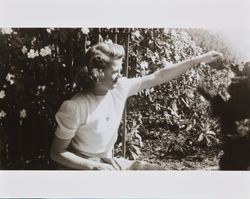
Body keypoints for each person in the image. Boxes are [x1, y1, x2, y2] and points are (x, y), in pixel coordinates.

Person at [50, 42, 223, 170]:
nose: (121, 75)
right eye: (115, 71)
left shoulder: (120, 88)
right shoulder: (74, 107)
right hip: (83, 168)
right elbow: (57, 153)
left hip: (109, 164)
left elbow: (158, 76)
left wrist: (198, 60)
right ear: (97, 74)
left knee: (161, 173)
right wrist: (91, 167)